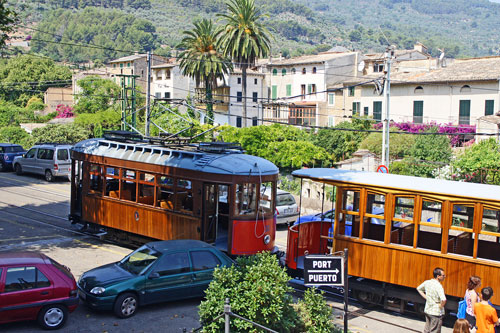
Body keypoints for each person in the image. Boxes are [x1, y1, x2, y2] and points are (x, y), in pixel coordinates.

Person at [417, 267, 447, 333]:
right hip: (436, 312)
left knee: (427, 329)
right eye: (443, 275)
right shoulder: (439, 286)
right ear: (438, 276)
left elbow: (419, 288)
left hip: (428, 309)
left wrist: (426, 297)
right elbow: (444, 299)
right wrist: (441, 306)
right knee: (434, 330)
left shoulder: (427, 282)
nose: (444, 277)